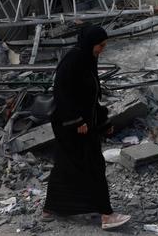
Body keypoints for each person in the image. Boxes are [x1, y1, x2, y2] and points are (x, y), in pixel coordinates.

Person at [42, 26, 130, 230]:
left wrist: (103, 122)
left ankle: (52, 208)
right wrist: (76, 121)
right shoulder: (72, 61)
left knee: (67, 167)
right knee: (93, 166)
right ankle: (107, 215)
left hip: (83, 125)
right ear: (91, 43)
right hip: (70, 126)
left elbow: (90, 99)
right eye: (101, 45)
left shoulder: (87, 60)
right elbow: (62, 94)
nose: (102, 49)